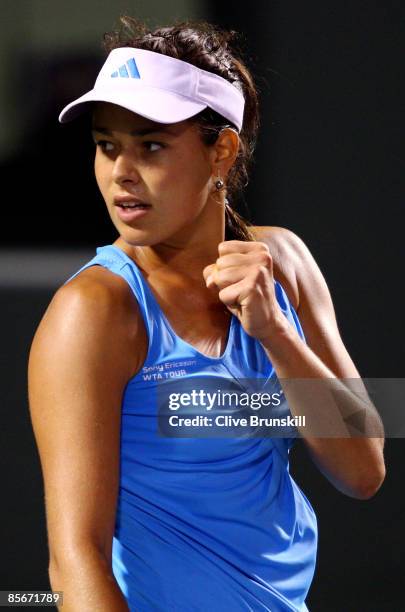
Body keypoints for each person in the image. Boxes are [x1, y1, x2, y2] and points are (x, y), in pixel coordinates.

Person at [28, 17, 386, 612]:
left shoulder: (286, 261)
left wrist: (274, 332)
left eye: (151, 145)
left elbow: (364, 469)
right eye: (107, 144)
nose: (121, 173)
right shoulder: (92, 311)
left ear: (220, 151)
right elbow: (74, 560)